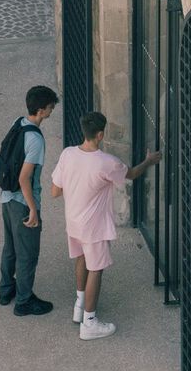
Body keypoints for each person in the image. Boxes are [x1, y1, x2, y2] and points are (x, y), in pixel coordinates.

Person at [48, 110, 158, 340]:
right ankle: (89, 322)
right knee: (96, 269)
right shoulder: (107, 163)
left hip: (74, 220)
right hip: (94, 227)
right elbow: (132, 174)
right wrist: (150, 160)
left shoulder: (68, 154)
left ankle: (80, 304)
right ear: (99, 134)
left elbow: (55, 191)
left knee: (81, 259)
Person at [0, 84, 58, 316]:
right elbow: (25, 178)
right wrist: (33, 209)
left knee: (10, 247)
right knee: (28, 254)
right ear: (41, 110)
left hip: (6, 197)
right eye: (50, 107)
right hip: (23, 201)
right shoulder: (36, 140)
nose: (52, 111)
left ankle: (6, 290)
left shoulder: (18, 123)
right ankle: (24, 301)